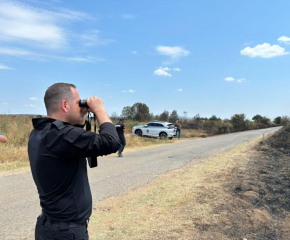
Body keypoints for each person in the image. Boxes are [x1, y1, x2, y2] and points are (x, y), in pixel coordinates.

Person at [28, 83, 121, 240]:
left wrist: (81, 116)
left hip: (50, 226)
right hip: (65, 233)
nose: (81, 106)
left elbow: (74, 135)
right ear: (65, 105)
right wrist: (99, 110)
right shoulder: (61, 136)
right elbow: (111, 142)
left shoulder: (41, 132)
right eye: (78, 103)